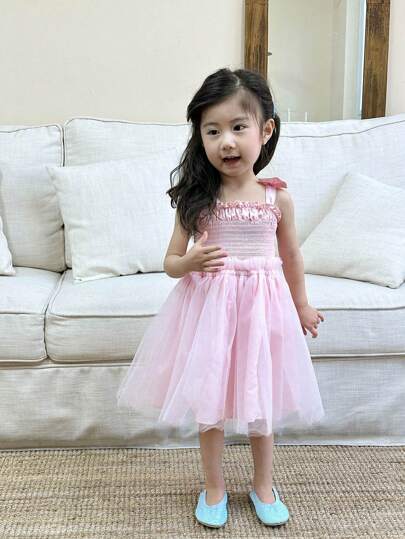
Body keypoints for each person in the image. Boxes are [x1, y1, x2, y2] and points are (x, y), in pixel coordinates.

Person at [116, 67, 326, 528]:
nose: (226, 142)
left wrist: (302, 305)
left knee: (261, 402)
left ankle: (263, 485)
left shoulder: (276, 199)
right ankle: (214, 487)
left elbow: (291, 256)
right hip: (210, 314)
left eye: (237, 127)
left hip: (261, 313)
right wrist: (189, 261)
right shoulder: (197, 200)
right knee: (209, 405)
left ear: (265, 131)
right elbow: (171, 261)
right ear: (200, 136)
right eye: (212, 131)